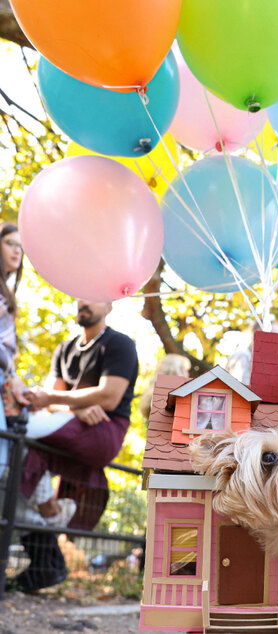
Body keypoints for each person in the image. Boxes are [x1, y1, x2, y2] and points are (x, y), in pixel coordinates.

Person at [6, 300, 138, 593]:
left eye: (93, 296)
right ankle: (49, 549)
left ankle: (51, 517)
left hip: (104, 430)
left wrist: (58, 402)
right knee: (21, 454)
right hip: (71, 424)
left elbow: (108, 398)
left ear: (110, 305)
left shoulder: (120, 344)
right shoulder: (65, 348)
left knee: (20, 430)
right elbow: (51, 402)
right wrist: (74, 408)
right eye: (80, 296)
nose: (84, 302)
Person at [0, 222, 24, 476]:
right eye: (10, 243)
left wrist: (12, 376)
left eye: (21, 247)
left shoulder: (7, 291)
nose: (17, 251)